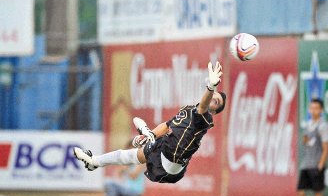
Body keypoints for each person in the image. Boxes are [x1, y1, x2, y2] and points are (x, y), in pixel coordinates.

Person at [73, 61, 226, 184]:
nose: (213, 98)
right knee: (128, 155)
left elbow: (204, 105)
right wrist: (151, 134)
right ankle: (94, 162)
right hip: (166, 152)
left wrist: (211, 86)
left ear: (215, 111)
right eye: (214, 96)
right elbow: (167, 126)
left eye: (217, 102)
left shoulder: (205, 118)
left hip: (174, 160)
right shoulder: (188, 109)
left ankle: (143, 138)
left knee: (135, 150)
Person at [294, 98, 328, 196]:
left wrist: (320, 165)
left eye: (316, 108)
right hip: (306, 164)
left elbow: (326, 147)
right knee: (300, 192)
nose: (313, 110)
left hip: (316, 165)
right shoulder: (308, 124)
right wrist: (305, 139)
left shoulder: (323, 126)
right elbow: (306, 141)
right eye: (311, 108)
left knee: (317, 193)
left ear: (321, 110)